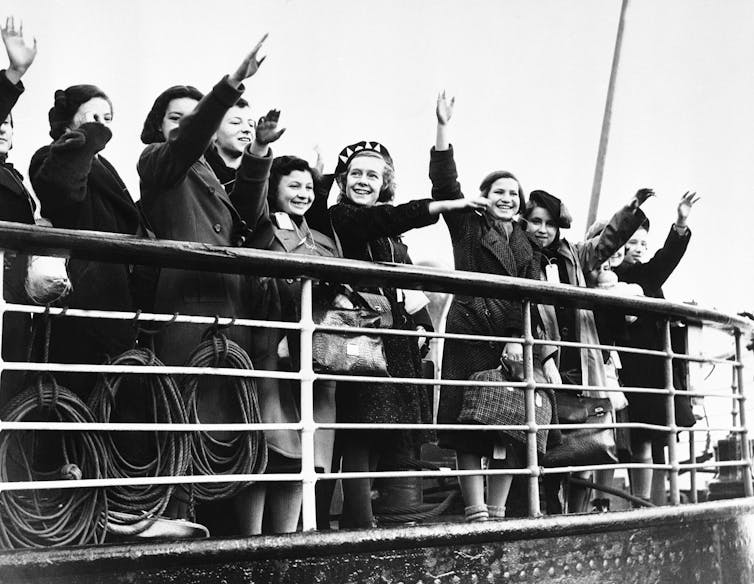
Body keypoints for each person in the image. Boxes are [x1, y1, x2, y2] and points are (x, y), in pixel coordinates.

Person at [308, 136, 479, 528]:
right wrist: (435, 207)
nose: (363, 180)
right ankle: (355, 521)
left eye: (373, 174)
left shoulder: (391, 237)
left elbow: (407, 281)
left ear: (384, 181)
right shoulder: (343, 217)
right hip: (358, 335)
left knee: (377, 433)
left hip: (391, 337)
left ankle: (365, 516)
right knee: (357, 431)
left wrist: (420, 327)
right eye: (355, 174)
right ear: (342, 180)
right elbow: (382, 220)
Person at [137, 36, 272, 534]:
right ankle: (173, 512)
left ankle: (212, 519)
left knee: (222, 416)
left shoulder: (210, 174)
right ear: (158, 126)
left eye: (195, 118)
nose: (188, 126)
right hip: (185, 309)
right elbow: (188, 140)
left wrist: (259, 150)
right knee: (179, 411)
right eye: (178, 117)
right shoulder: (156, 160)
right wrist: (232, 82)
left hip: (227, 310)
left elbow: (253, 216)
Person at [430, 92, 546, 522]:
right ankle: (475, 509)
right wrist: (443, 128)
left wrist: (518, 338)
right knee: (468, 426)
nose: (508, 199)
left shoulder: (527, 243)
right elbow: (444, 186)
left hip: (510, 340)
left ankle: (496, 509)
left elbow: (529, 293)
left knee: (509, 423)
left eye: (514, 194)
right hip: (469, 332)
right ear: (485, 196)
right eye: (500, 192)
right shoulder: (468, 226)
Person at [521, 187, 650, 513]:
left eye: (549, 223)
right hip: (540, 359)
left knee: (581, 439)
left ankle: (573, 510)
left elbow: (607, 240)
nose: (542, 229)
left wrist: (631, 209)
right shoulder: (520, 256)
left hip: (578, 359)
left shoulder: (573, 255)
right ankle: (546, 504)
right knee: (544, 436)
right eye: (535, 221)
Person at [29, 78, 151, 398]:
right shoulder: (48, 157)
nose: (101, 125)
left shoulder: (105, 167)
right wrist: (85, 140)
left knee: (113, 397)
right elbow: (63, 196)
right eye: (91, 117)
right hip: (78, 293)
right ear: (68, 120)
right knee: (76, 393)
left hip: (116, 295)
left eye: (107, 119)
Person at [614, 191, 700, 505]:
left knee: (655, 435)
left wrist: (680, 222)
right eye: (631, 243)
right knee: (637, 439)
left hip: (655, 366)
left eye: (642, 244)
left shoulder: (649, 273)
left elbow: (669, 255)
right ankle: (642, 502)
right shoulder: (608, 275)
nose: (637, 249)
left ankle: (650, 503)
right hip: (628, 365)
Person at [0, 16, 37, 406]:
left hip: (15, 298)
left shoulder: (16, 179)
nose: (2, 126)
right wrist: (13, 74)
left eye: (8, 122)